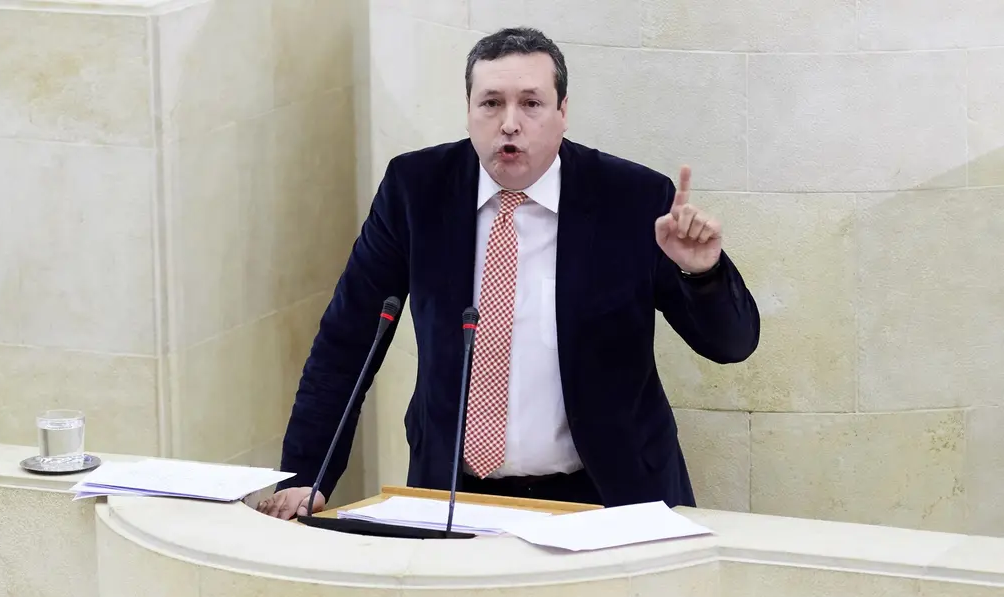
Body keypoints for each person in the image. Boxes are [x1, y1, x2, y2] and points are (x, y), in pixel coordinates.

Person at [257, 26, 759, 520]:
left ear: (563, 112)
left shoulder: (633, 199)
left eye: (531, 103)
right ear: (469, 110)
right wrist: (307, 473)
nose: (510, 123)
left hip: (607, 497)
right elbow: (347, 342)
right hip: (456, 498)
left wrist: (702, 273)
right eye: (491, 103)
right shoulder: (416, 190)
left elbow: (732, 345)